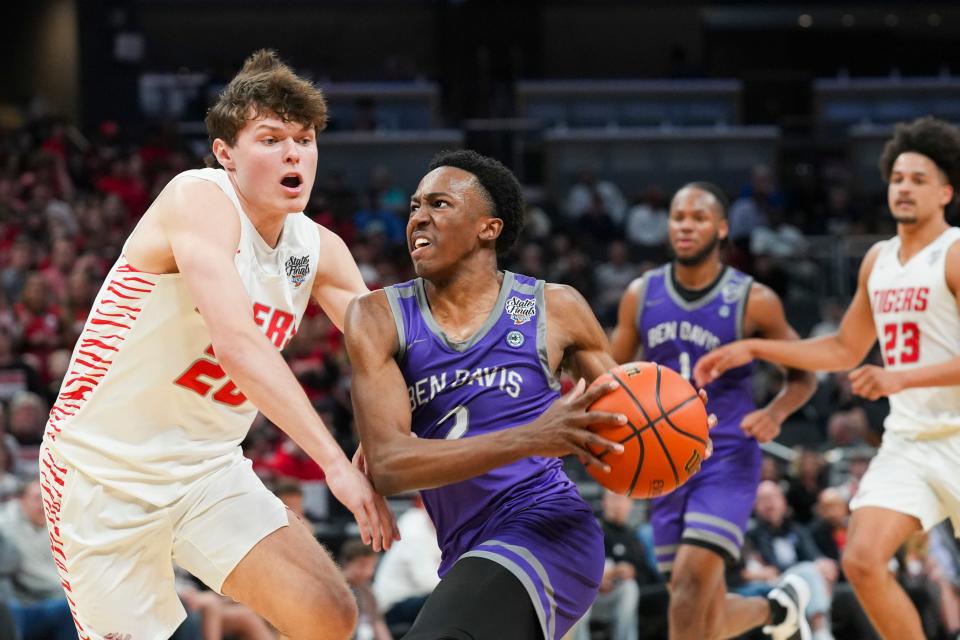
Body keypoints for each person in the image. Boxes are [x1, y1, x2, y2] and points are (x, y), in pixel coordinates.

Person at [38, 49, 396, 640]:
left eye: (304, 140)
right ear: (225, 153)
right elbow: (238, 345)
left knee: (328, 613)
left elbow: (387, 352)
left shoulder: (321, 249)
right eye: (270, 137)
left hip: (206, 470)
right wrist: (335, 462)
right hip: (103, 471)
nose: (292, 153)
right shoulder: (198, 198)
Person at [345, 149, 715, 640]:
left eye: (439, 204)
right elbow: (389, 465)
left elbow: (625, 421)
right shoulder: (376, 317)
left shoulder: (554, 308)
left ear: (488, 228)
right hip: (465, 547)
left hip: (548, 528)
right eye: (415, 206)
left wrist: (678, 429)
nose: (419, 217)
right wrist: (531, 437)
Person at [695, 115, 960, 640]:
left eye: (919, 179)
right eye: (898, 178)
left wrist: (901, 380)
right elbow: (843, 348)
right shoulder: (878, 260)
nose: (904, 188)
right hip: (910, 441)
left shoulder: (953, 253)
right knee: (861, 560)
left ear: (946, 191)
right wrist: (753, 346)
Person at [610, 181, 817, 640]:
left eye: (698, 217)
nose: (686, 225)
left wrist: (777, 412)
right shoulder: (640, 295)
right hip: (662, 461)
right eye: (678, 216)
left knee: (686, 587)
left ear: (722, 229)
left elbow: (804, 373)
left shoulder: (753, 299)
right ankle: (775, 610)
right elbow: (609, 374)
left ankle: (774, 611)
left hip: (725, 455)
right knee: (702, 613)